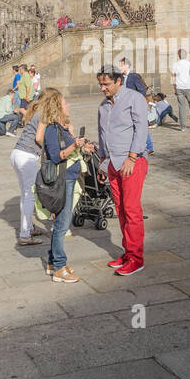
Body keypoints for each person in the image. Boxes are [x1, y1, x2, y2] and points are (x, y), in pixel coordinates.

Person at [94, 67, 150, 276]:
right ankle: (128, 252)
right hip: (112, 163)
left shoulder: (134, 98)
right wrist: (102, 163)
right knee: (121, 210)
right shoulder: (103, 106)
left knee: (132, 210)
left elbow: (141, 129)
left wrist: (132, 157)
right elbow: (102, 135)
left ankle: (137, 258)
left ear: (118, 81)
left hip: (131, 162)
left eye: (106, 84)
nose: (103, 88)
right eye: (101, 84)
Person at [39, 90, 92, 284]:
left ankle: (53, 262)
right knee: (62, 224)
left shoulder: (61, 128)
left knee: (62, 222)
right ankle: (60, 268)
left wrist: (83, 146)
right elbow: (56, 156)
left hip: (69, 178)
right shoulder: (52, 129)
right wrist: (74, 145)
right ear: (57, 108)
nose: (68, 105)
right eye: (65, 103)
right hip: (63, 181)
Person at [9, 95, 48, 247]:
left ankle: (29, 228)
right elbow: (39, 138)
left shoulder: (35, 112)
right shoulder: (44, 114)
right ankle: (25, 234)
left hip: (17, 153)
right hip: (27, 156)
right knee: (29, 194)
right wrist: (49, 148)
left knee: (25, 194)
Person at [170, 49, 190, 129]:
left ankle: (183, 126)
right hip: (189, 87)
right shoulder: (188, 63)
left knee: (181, 107)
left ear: (178, 55)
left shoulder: (175, 64)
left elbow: (173, 77)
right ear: (186, 55)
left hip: (179, 88)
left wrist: (174, 88)